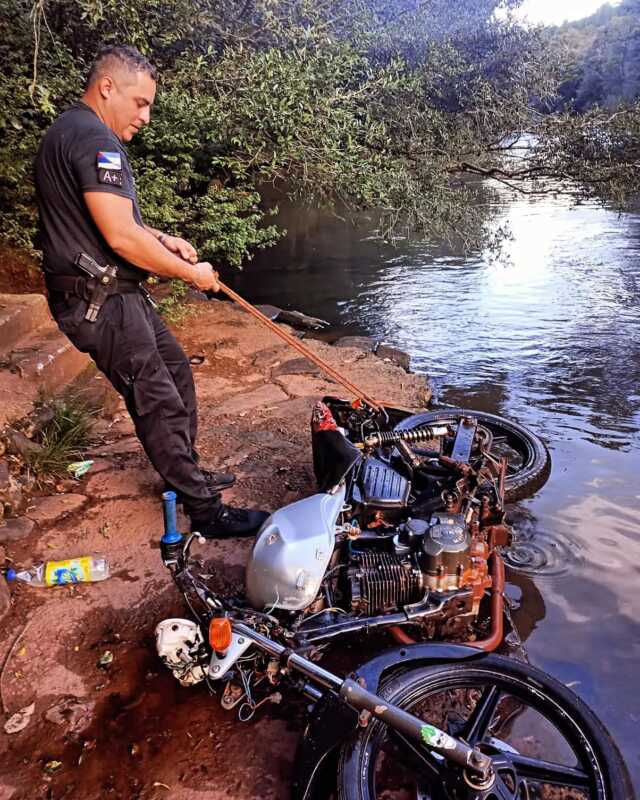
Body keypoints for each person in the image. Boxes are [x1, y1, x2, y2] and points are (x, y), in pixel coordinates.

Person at [34, 44, 268, 538]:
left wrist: (161, 238)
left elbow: (104, 223)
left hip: (112, 293)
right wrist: (192, 275)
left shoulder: (70, 130)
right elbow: (118, 238)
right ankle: (205, 510)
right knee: (157, 398)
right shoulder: (96, 141)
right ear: (106, 87)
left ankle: (185, 472)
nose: (146, 116)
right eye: (140, 103)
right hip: (100, 300)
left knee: (176, 370)